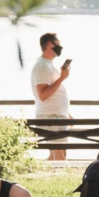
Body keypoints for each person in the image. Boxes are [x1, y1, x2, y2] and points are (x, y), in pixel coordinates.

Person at [31, 32, 71, 161]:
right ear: (50, 45)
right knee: (60, 158)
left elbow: (53, 92)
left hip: (56, 116)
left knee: (56, 156)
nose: (61, 48)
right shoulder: (42, 66)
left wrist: (67, 113)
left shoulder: (47, 64)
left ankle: (42, 174)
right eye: (58, 45)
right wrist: (62, 78)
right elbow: (42, 95)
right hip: (51, 117)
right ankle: (59, 179)